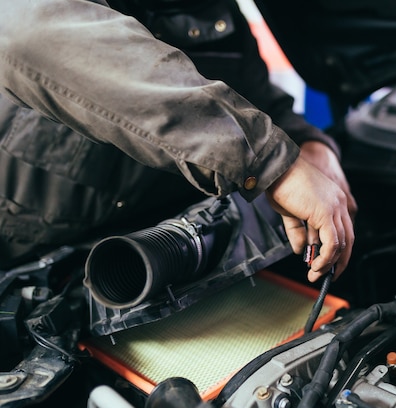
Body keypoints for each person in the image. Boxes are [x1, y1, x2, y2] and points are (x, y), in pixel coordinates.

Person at [0, 0, 356, 282]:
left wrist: (310, 146)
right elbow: (27, 32)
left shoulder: (214, 13)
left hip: (167, 255)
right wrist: (270, 163)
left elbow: (254, 98)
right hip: (34, 261)